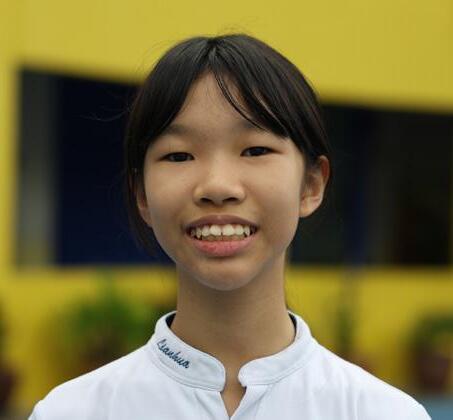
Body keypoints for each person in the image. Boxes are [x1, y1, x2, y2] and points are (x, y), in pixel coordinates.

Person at [29, 33, 431, 419]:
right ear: (142, 194)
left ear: (311, 184)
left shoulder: (384, 413)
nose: (217, 186)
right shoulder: (71, 412)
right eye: (179, 155)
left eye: (255, 150)